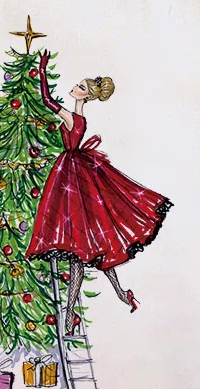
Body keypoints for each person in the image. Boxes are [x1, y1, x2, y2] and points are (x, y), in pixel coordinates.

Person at [25, 50, 172, 335]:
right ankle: (119, 295)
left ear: (86, 95)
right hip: (74, 175)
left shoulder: (73, 118)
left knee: (82, 252)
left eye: (80, 86)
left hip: (71, 179)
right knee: (92, 249)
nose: (74, 87)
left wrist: (42, 69)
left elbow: (46, 100)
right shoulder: (78, 117)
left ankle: (72, 317)